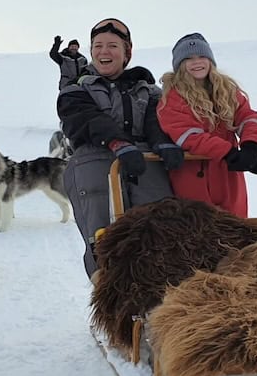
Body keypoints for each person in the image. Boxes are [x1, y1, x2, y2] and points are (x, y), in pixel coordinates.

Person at [57, 18, 184, 276]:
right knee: (106, 243)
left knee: (160, 234)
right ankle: (111, 296)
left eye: (112, 45)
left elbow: (156, 120)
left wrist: (162, 143)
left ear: (127, 52)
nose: (104, 51)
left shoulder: (149, 90)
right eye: (98, 46)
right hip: (95, 165)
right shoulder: (75, 89)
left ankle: (159, 296)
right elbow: (85, 119)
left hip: (144, 165)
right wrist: (118, 143)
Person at [157, 33, 257, 219]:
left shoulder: (228, 91)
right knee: (197, 228)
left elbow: (248, 118)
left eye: (202, 56)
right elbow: (188, 136)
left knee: (234, 225)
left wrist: (252, 145)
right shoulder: (172, 97)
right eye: (189, 58)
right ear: (180, 65)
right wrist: (228, 153)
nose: (197, 62)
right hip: (193, 174)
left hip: (228, 175)